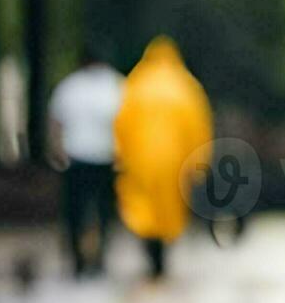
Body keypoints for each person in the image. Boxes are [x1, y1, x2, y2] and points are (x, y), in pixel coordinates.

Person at [113, 35, 213, 279]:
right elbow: (199, 127)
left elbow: (120, 123)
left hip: (140, 158)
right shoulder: (186, 86)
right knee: (169, 208)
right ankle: (162, 253)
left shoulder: (136, 84)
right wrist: (200, 163)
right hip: (175, 160)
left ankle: (151, 248)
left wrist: (121, 155)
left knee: (145, 208)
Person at [48, 46, 124, 276]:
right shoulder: (118, 85)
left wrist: (58, 152)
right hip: (107, 158)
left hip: (76, 159)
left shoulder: (70, 87)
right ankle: (99, 258)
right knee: (103, 212)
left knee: (74, 212)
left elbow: (55, 123)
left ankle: (77, 260)